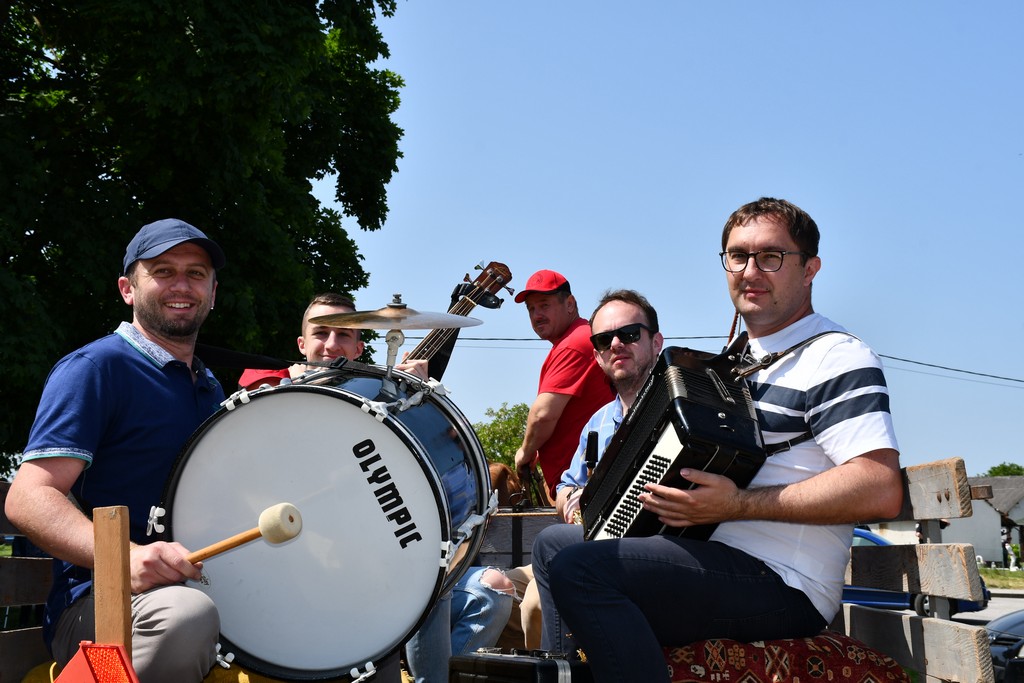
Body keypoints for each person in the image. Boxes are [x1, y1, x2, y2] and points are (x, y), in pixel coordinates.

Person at [532, 197, 904, 682]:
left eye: (771, 257)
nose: (751, 270)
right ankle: (566, 675)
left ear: (810, 268)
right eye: (737, 256)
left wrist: (738, 505)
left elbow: (879, 486)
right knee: (554, 545)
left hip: (783, 581)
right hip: (712, 554)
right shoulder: (733, 361)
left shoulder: (836, 357)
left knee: (582, 570)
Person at [5, 218, 227, 682]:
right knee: (184, 618)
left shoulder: (208, 387)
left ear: (212, 291)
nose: (181, 285)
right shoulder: (96, 368)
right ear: (128, 288)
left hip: (195, 591)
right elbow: (28, 497)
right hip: (100, 608)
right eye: (163, 271)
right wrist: (123, 557)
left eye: (196, 273)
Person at [513, 270, 615, 499]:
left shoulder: (574, 343)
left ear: (570, 304)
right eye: (531, 309)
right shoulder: (579, 338)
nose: (536, 315)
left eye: (544, 305)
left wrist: (525, 453)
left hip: (583, 486)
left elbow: (543, 415)